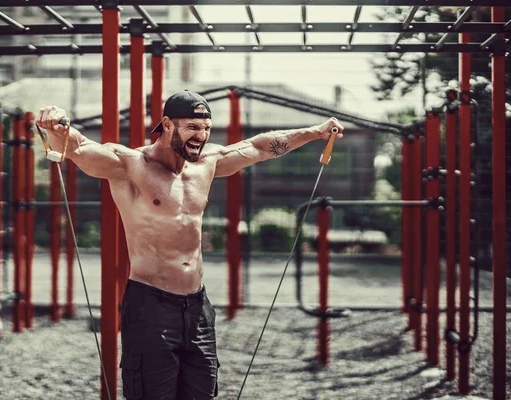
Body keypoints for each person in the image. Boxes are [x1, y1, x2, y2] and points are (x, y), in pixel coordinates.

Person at [36, 90, 343, 400]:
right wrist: (56, 126)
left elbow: (258, 147)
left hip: (197, 306)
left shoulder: (207, 164)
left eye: (206, 128)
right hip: (150, 305)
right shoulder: (130, 165)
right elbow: (80, 148)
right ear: (168, 125)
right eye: (193, 127)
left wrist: (315, 132)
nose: (202, 136)